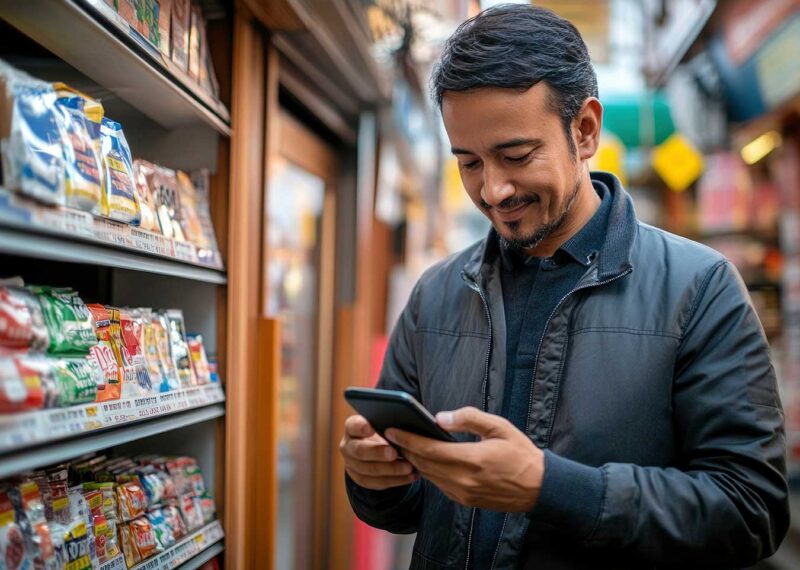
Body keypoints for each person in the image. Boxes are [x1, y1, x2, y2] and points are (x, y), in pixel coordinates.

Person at [339, 4, 789, 569]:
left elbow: (752, 511)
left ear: (584, 130)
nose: (494, 189)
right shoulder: (436, 295)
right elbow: (406, 511)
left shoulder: (700, 290)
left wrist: (550, 487)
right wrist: (373, 478)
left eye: (516, 156)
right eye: (470, 163)